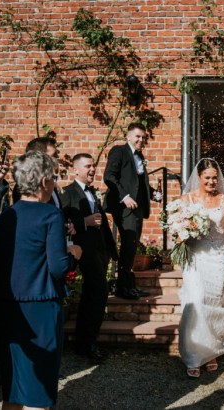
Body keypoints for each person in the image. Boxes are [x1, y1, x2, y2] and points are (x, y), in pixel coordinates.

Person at [0, 150, 82, 409]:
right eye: (54, 177)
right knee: (40, 384)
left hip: (9, 304)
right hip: (41, 306)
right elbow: (57, 268)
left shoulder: (9, 214)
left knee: (14, 383)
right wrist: (74, 254)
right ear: (44, 182)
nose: (55, 183)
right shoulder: (50, 214)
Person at [177, 158, 224, 378]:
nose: (211, 182)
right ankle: (193, 356)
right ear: (198, 178)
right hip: (195, 257)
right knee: (197, 301)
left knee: (213, 303)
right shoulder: (186, 200)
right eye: (207, 178)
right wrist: (183, 230)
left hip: (218, 257)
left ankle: (210, 352)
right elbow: (176, 228)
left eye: (214, 178)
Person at [61, 153, 118, 361]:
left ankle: (83, 344)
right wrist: (84, 222)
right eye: (87, 166)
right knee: (99, 293)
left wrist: (110, 250)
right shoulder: (67, 193)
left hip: (99, 251)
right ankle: (89, 343)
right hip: (82, 251)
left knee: (90, 296)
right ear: (76, 170)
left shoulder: (93, 192)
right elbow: (64, 220)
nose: (92, 169)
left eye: (93, 166)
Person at [104, 123, 159, 300]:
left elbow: (137, 181)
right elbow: (109, 176)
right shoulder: (119, 151)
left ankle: (129, 285)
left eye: (143, 137)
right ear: (128, 136)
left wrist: (153, 194)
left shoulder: (140, 155)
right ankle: (123, 288)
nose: (140, 140)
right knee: (128, 244)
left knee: (132, 244)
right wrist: (124, 197)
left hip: (137, 207)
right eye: (137, 136)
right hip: (124, 206)